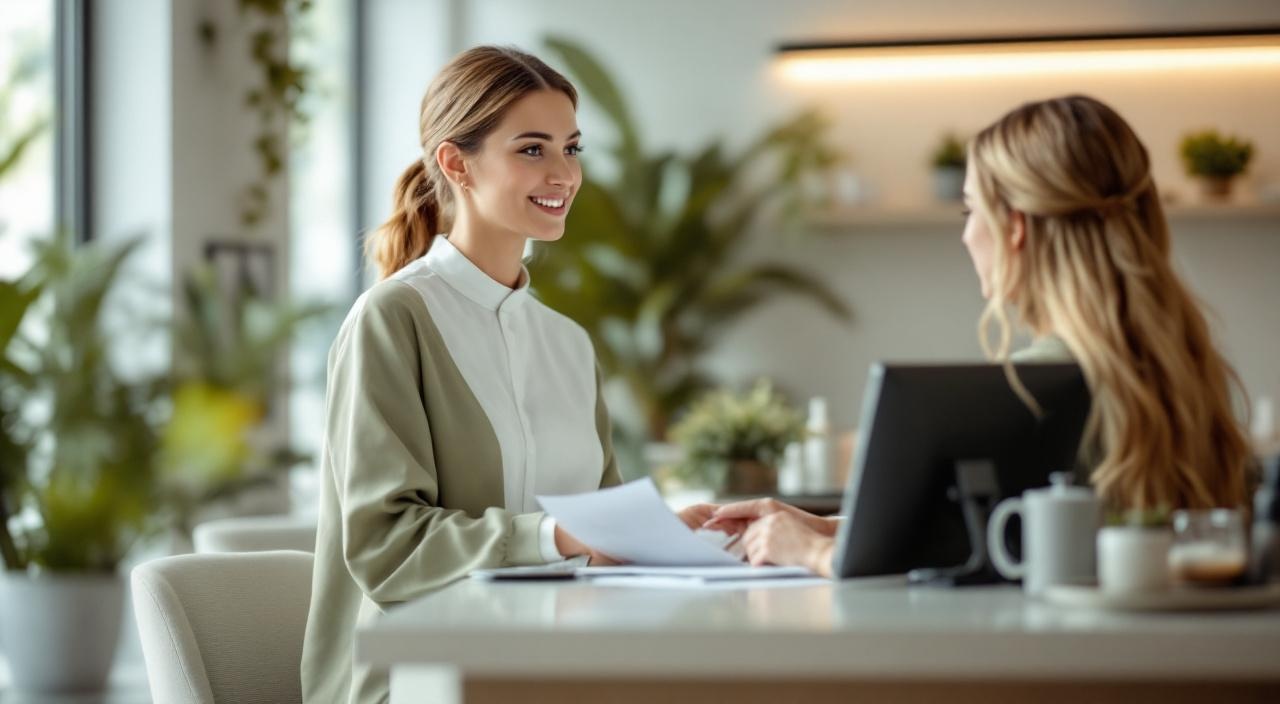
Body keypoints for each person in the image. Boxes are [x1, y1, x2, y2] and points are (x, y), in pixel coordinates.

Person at [704, 95, 1254, 579]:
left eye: (971, 210)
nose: (966, 233)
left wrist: (815, 554)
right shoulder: (1183, 367)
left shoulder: (1043, 385)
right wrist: (829, 526)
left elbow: (992, 555)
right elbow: (978, 530)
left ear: (1015, 226)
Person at [301, 46, 701, 703]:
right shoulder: (393, 320)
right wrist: (555, 537)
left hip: (555, 663)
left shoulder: (568, 344)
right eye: (532, 149)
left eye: (571, 149)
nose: (563, 174)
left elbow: (600, 528)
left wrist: (669, 532)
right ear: (456, 163)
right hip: (421, 675)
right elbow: (386, 544)